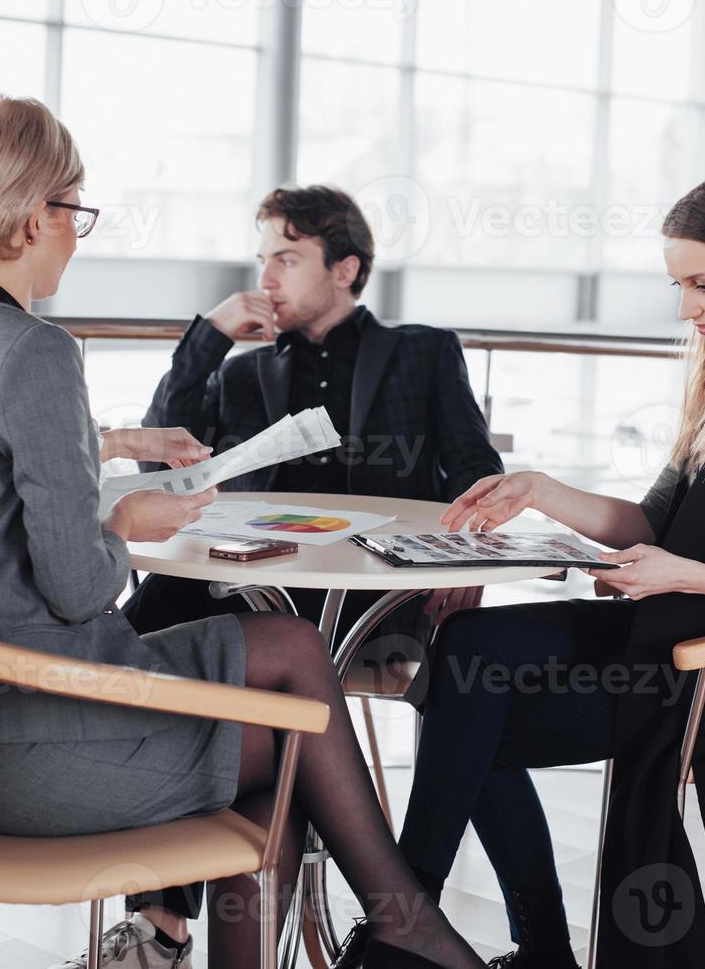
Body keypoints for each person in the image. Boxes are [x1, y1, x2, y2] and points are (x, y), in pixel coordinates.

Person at [0, 94, 484, 969]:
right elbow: (80, 587)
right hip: (40, 753)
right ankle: (407, 926)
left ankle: (381, 927)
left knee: (286, 674)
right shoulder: (37, 350)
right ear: (33, 215)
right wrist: (124, 518)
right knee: (293, 705)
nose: (77, 234)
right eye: (75, 210)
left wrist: (105, 448)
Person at [354, 169, 705, 968]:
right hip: (673, 624)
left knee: (472, 719)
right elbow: (649, 523)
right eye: (679, 285)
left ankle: (424, 933)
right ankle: (425, 922)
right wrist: (540, 493)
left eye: (704, 284)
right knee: (462, 653)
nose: (687, 308)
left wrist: (680, 574)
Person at [123, 184, 506, 952]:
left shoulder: (424, 352)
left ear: (346, 268)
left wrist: (469, 556)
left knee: (241, 684)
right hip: (255, 587)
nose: (267, 277)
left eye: (287, 259)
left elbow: (475, 468)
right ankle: (162, 921)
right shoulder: (242, 374)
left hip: (377, 603)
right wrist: (208, 338)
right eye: (263, 259)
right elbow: (159, 457)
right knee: (138, 635)